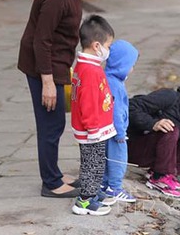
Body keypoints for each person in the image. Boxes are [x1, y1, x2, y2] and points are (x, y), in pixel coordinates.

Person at [17, 0, 109, 198]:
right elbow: (41, 39)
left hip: (56, 61)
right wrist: (47, 81)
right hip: (43, 65)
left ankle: (54, 174)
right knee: (51, 124)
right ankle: (51, 183)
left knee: (54, 122)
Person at [70, 15, 116, 216]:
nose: (109, 50)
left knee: (95, 162)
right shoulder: (89, 70)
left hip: (95, 127)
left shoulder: (87, 66)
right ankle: (85, 201)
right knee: (92, 164)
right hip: (92, 129)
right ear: (97, 45)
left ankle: (93, 192)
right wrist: (93, 128)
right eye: (108, 45)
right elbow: (87, 102)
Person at [100, 40, 139, 203]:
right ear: (122, 64)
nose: (132, 68)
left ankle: (104, 185)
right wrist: (121, 132)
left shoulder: (109, 78)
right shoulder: (114, 84)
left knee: (106, 158)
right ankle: (114, 187)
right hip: (116, 131)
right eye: (131, 64)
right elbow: (115, 110)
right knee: (118, 159)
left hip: (107, 129)